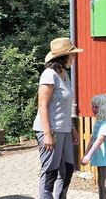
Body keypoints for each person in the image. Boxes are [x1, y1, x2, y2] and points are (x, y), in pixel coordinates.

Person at [32, 37, 82, 199]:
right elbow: (42, 105)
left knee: (67, 170)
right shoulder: (49, 75)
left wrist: (72, 128)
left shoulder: (64, 74)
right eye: (72, 54)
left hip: (65, 129)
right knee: (50, 173)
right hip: (50, 129)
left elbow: (65, 105)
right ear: (63, 56)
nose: (74, 57)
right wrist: (47, 134)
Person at [82, 94, 106, 199]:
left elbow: (100, 140)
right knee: (101, 182)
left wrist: (89, 155)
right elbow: (92, 138)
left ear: (104, 108)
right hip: (101, 158)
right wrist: (85, 154)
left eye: (96, 107)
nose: (93, 109)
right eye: (93, 106)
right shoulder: (99, 122)